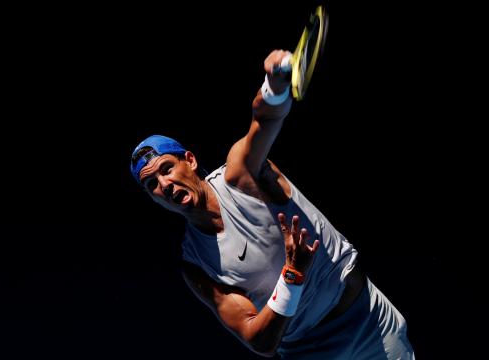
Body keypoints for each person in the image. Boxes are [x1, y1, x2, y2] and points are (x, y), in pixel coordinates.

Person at [129, 49, 415, 359]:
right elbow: (259, 340)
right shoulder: (196, 264)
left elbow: (264, 119)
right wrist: (292, 274)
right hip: (309, 353)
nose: (164, 185)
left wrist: (275, 83)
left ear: (190, 160)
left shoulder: (240, 174)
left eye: (166, 169)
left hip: (371, 323)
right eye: (151, 185)